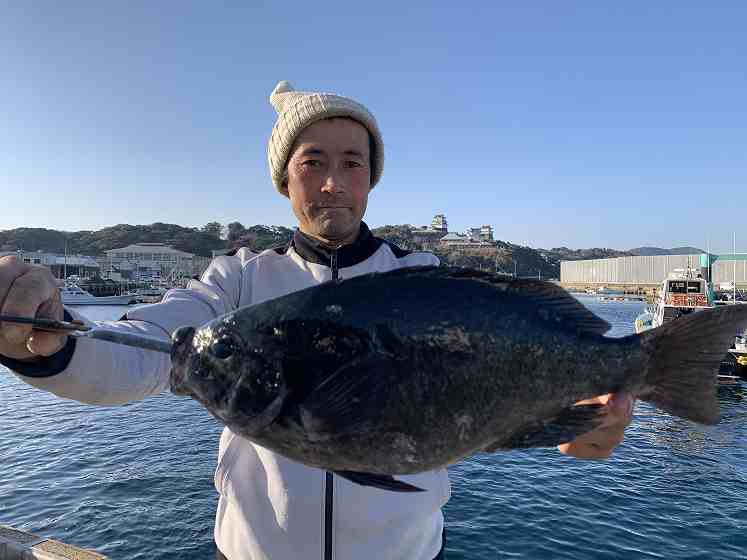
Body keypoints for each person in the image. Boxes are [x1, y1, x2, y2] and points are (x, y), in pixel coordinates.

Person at [0, 81, 634, 560]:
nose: (333, 182)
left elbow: (516, 371)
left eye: (352, 162)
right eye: (313, 162)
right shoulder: (237, 281)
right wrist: (44, 341)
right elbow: (145, 346)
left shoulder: (423, 278)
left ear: (371, 178)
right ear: (285, 179)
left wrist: (584, 422)